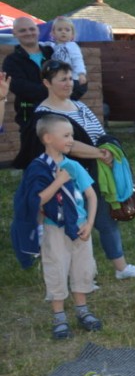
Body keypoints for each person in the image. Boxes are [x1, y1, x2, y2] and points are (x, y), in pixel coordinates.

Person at [14, 60, 135, 280]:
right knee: (70, 224)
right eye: (63, 79)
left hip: (93, 172)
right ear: (47, 83)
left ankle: (121, 268)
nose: (69, 83)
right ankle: (73, 275)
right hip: (67, 178)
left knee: (105, 218)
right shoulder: (45, 115)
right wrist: (100, 154)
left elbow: (98, 133)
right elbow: (68, 145)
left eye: (71, 78)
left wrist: (108, 150)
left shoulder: (80, 106)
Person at [13, 115, 102, 339]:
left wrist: (90, 223)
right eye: (66, 135)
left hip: (80, 227)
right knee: (56, 268)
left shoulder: (74, 166)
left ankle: (82, 310)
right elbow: (37, 200)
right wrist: (59, 181)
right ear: (48, 138)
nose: (71, 140)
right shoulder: (38, 168)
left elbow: (91, 196)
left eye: (71, 135)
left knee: (83, 267)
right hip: (54, 228)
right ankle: (59, 317)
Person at [4, 16, 86, 130]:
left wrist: (75, 83)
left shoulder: (54, 52)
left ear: (38, 30)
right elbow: (19, 87)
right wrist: (57, 91)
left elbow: (81, 84)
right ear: (14, 33)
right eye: (22, 30)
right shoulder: (12, 61)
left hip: (64, 117)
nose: (28, 33)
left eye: (32, 29)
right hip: (31, 119)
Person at [46, 16, 88, 87]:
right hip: (58, 79)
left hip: (72, 79)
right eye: (59, 29)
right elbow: (39, 44)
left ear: (72, 34)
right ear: (53, 33)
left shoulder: (72, 46)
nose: (63, 32)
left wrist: (81, 74)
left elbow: (77, 60)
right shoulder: (52, 45)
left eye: (67, 30)